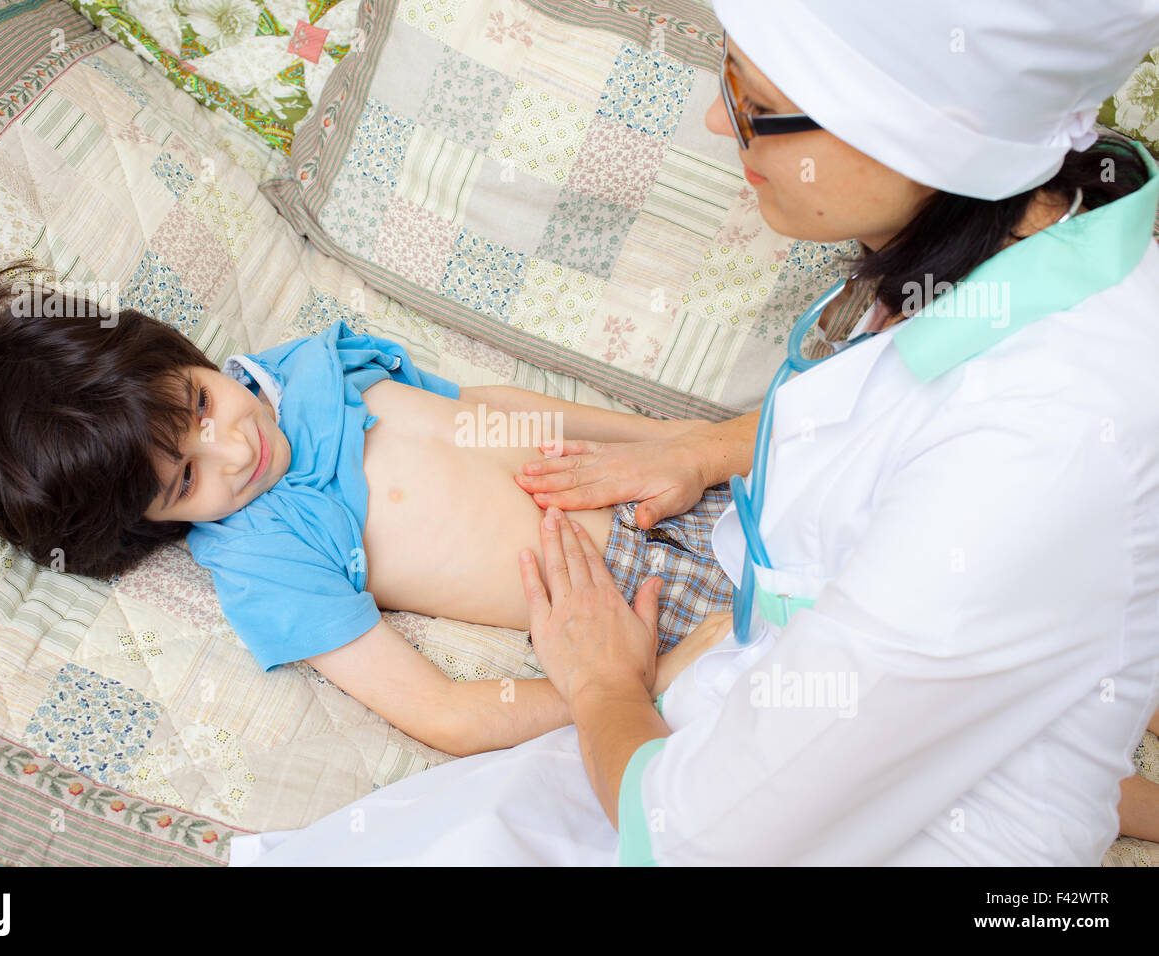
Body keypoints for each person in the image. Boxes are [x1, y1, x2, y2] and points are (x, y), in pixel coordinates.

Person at [226, 0, 1159, 865]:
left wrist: (604, 686)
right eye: (731, 75)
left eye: (758, 104)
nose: (721, 124)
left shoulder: (1039, 445)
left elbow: (697, 839)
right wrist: (698, 448)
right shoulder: (1017, 261)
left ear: (924, 135)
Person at [0, 260, 727, 758]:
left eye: (200, 405)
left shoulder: (310, 365)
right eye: (184, 482)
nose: (237, 451)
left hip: (661, 478)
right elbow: (445, 715)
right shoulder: (260, 555)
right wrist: (635, 680)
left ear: (183, 354)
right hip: (639, 605)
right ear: (147, 526)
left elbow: (488, 407)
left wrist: (677, 440)